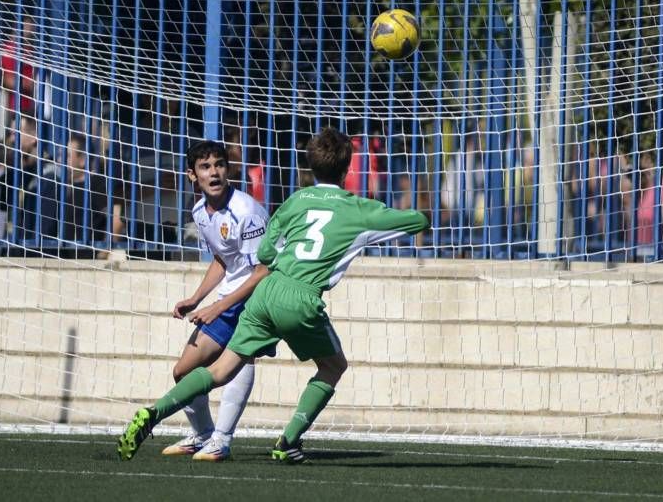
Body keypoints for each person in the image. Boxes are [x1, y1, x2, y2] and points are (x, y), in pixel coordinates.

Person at [116, 127, 430, 464]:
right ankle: (288, 441)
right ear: (346, 169)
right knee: (333, 365)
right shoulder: (358, 208)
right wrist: (406, 212)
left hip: (265, 292)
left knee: (220, 370)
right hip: (301, 297)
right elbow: (416, 220)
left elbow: (266, 251)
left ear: (310, 167)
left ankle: (154, 412)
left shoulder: (296, 199)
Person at [157, 139, 270, 461]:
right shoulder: (199, 211)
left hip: (259, 293)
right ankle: (203, 435)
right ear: (192, 175)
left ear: (228, 169)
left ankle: (221, 440)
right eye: (205, 167)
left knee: (241, 359)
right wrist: (196, 298)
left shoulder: (247, 212)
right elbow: (223, 259)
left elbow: (262, 271)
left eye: (219, 164)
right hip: (230, 294)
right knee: (183, 372)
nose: (214, 172)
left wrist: (217, 306)